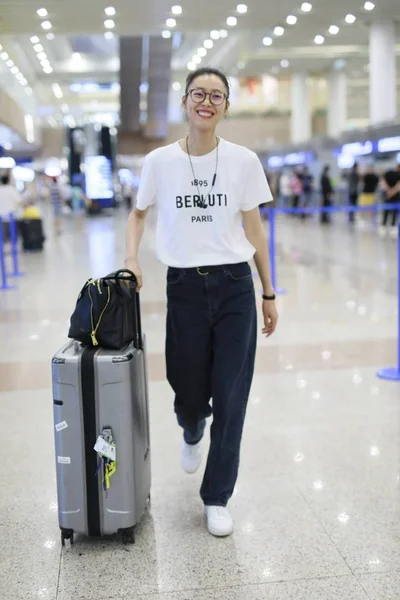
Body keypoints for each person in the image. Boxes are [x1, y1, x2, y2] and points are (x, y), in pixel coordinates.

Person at [125, 67, 278, 538]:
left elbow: (254, 230)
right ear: (185, 101)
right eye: (199, 94)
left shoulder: (244, 160)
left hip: (235, 286)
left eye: (216, 95)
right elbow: (137, 214)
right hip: (185, 287)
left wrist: (268, 291)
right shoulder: (160, 162)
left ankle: (217, 497)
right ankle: (192, 425)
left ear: (227, 106)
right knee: (188, 387)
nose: (206, 101)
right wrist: (131, 259)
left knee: (232, 397)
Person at [380, 163, 400, 237]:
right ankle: (387, 226)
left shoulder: (388, 173)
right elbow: (398, 185)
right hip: (393, 195)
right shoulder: (392, 173)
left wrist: (389, 191)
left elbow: (383, 181)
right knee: (388, 211)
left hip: (389, 195)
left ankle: (388, 226)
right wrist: (391, 191)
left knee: (389, 211)